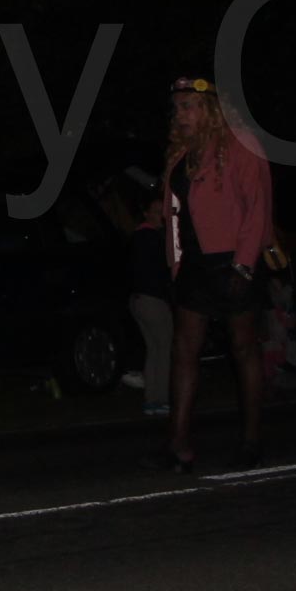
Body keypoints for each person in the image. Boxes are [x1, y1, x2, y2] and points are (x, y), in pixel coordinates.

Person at [160, 75, 274, 472]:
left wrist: (244, 264)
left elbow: (257, 208)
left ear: (209, 109)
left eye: (188, 106)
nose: (180, 115)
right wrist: (176, 264)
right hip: (195, 265)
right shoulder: (181, 153)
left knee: (243, 347)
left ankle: (251, 439)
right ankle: (177, 444)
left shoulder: (240, 143)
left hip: (234, 260)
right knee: (183, 350)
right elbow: (174, 216)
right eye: (176, 108)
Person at [94, 166, 175, 420]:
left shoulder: (137, 238)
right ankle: (162, 399)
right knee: (164, 350)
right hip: (152, 301)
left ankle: (152, 400)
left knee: (154, 350)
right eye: (157, 212)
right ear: (146, 213)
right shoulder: (151, 238)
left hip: (138, 300)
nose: (161, 217)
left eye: (162, 212)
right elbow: (164, 270)